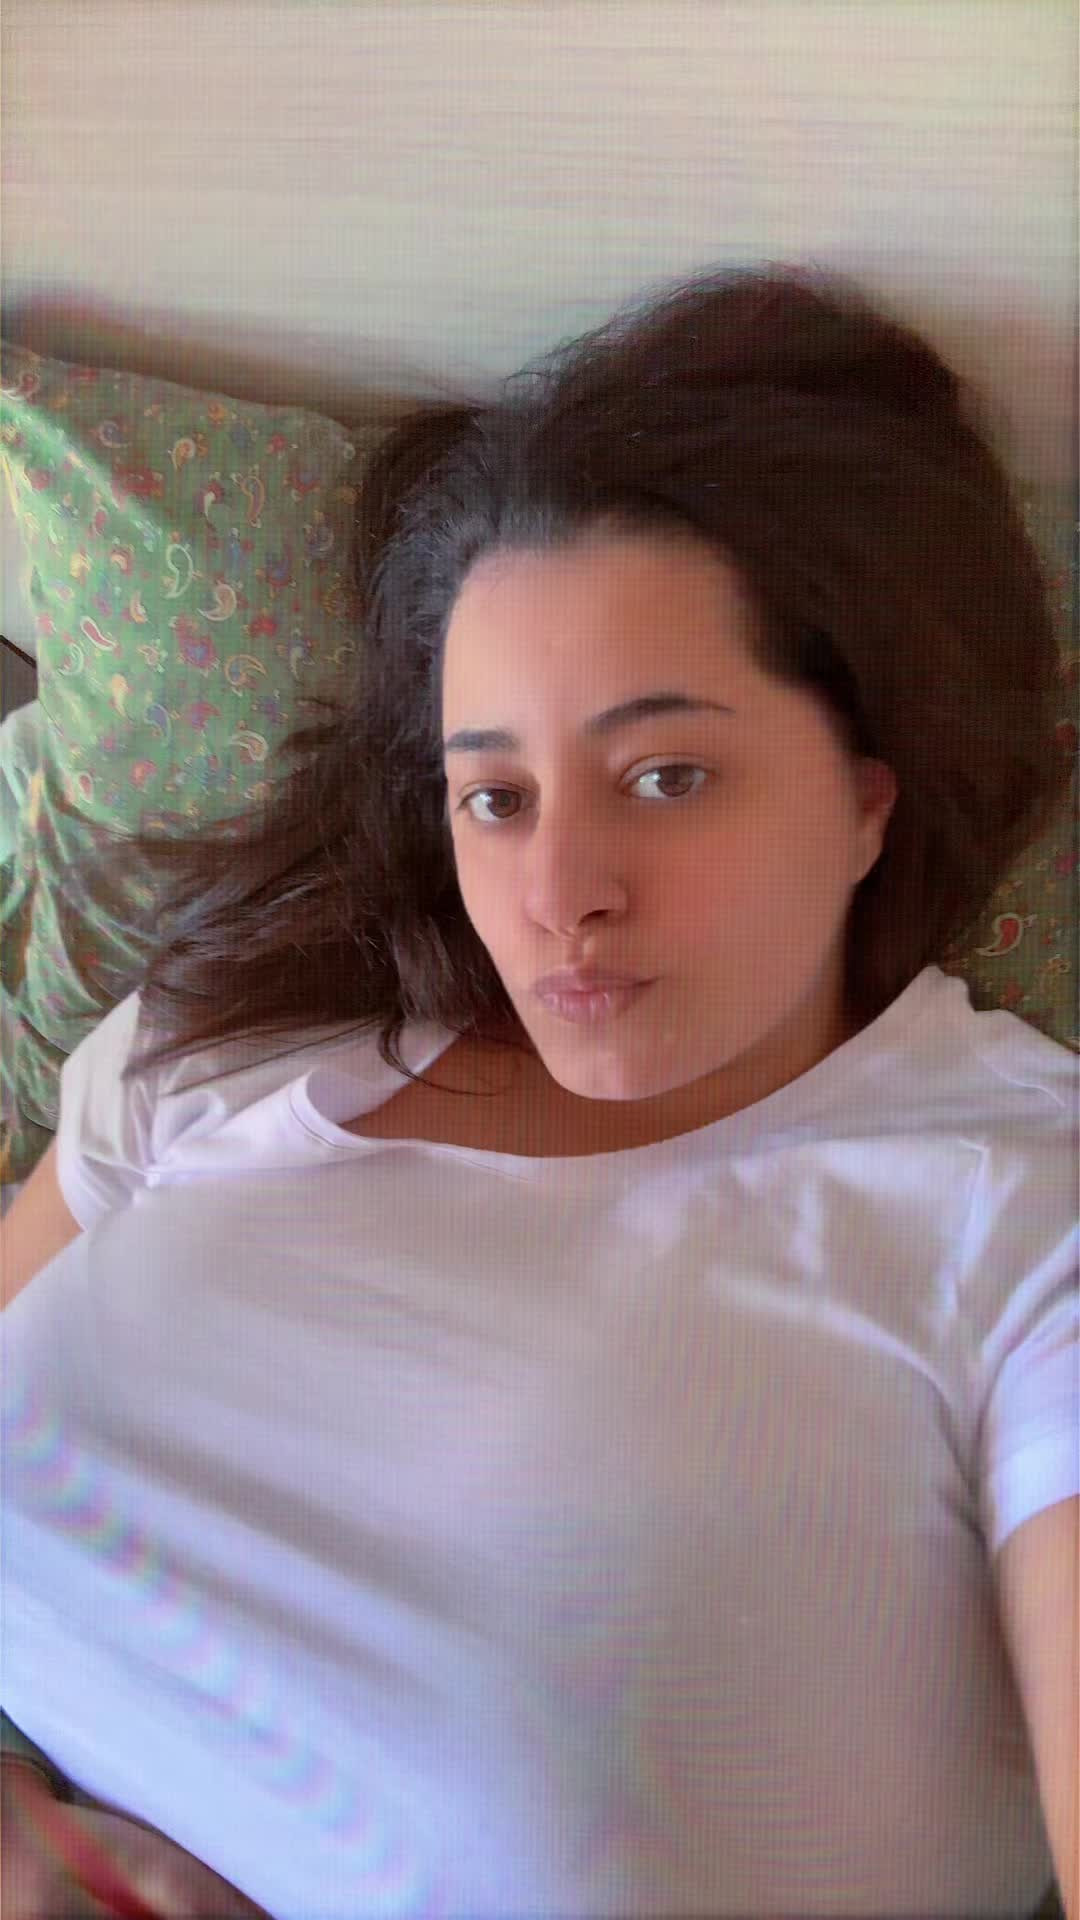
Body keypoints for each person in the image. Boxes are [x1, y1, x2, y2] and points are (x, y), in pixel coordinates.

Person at [2, 263, 1076, 1919]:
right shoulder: (232, 1041)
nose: (562, 893)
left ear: (869, 799)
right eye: (494, 797)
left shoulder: (1017, 1213)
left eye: (667, 775)